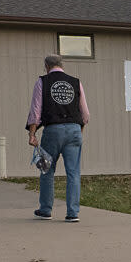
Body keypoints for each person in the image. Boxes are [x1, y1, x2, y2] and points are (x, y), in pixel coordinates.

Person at [26, 54, 90, 222]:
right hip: (74, 130)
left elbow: (35, 111)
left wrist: (32, 134)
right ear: (62, 65)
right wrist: (78, 131)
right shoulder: (76, 82)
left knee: (46, 169)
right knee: (73, 172)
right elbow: (85, 114)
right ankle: (72, 213)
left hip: (52, 131)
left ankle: (46, 210)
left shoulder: (42, 81)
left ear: (46, 66)